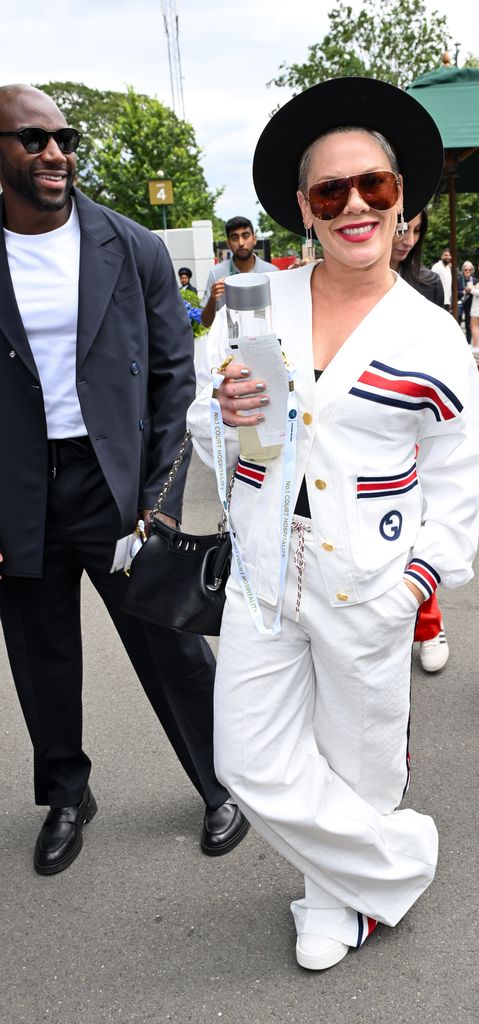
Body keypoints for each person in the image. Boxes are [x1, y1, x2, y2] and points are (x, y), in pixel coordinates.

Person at [189, 77, 479, 971]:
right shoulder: (253, 305)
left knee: (359, 755)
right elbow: (211, 440)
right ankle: (397, 860)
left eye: (375, 187)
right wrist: (221, 408)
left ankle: (339, 898)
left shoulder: (430, 333)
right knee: (246, 757)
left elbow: (461, 470)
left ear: (400, 198)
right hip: (261, 568)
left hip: (371, 572)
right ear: (303, 209)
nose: (355, 206)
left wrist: (420, 579)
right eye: (332, 191)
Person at [0, 84, 248, 875]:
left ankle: (222, 782)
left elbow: (177, 376)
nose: (55, 154)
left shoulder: (129, 245)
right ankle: (67, 795)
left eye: (64, 139)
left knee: (167, 639)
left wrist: (158, 497)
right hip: (19, 489)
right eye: (33, 140)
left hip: (115, 483)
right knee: (41, 654)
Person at [390, 209, 450, 673]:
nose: (407, 238)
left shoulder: (428, 282)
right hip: (364, 416)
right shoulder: (341, 280)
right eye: (401, 227)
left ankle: (430, 623)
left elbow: (442, 356)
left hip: (415, 417)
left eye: (416, 230)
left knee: (419, 521)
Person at [200, 216, 278, 327]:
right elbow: (205, 323)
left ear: (254, 239)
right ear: (228, 243)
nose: (241, 243)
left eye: (245, 236)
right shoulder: (216, 273)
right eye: (234, 238)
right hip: (228, 342)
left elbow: (280, 314)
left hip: (264, 339)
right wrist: (212, 299)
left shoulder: (272, 273)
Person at [430, 247, 453, 311]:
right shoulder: (436, 267)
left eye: (449, 255)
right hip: (438, 300)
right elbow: (432, 283)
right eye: (446, 255)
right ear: (441, 256)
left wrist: (449, 300)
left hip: (447, 301)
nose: (448, 257)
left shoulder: (448, 268)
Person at [460, 260, 475, 344]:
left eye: (469, 270)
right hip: (460, 303)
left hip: (470, 303)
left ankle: (468, 342)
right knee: (457, 322)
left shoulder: (475, 280)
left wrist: (472, 290)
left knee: (469, 324)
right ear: (463, 270)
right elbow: (455, 292)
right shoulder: (459, 279)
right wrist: (464, 291)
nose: (467, 271)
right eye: (466, 270)